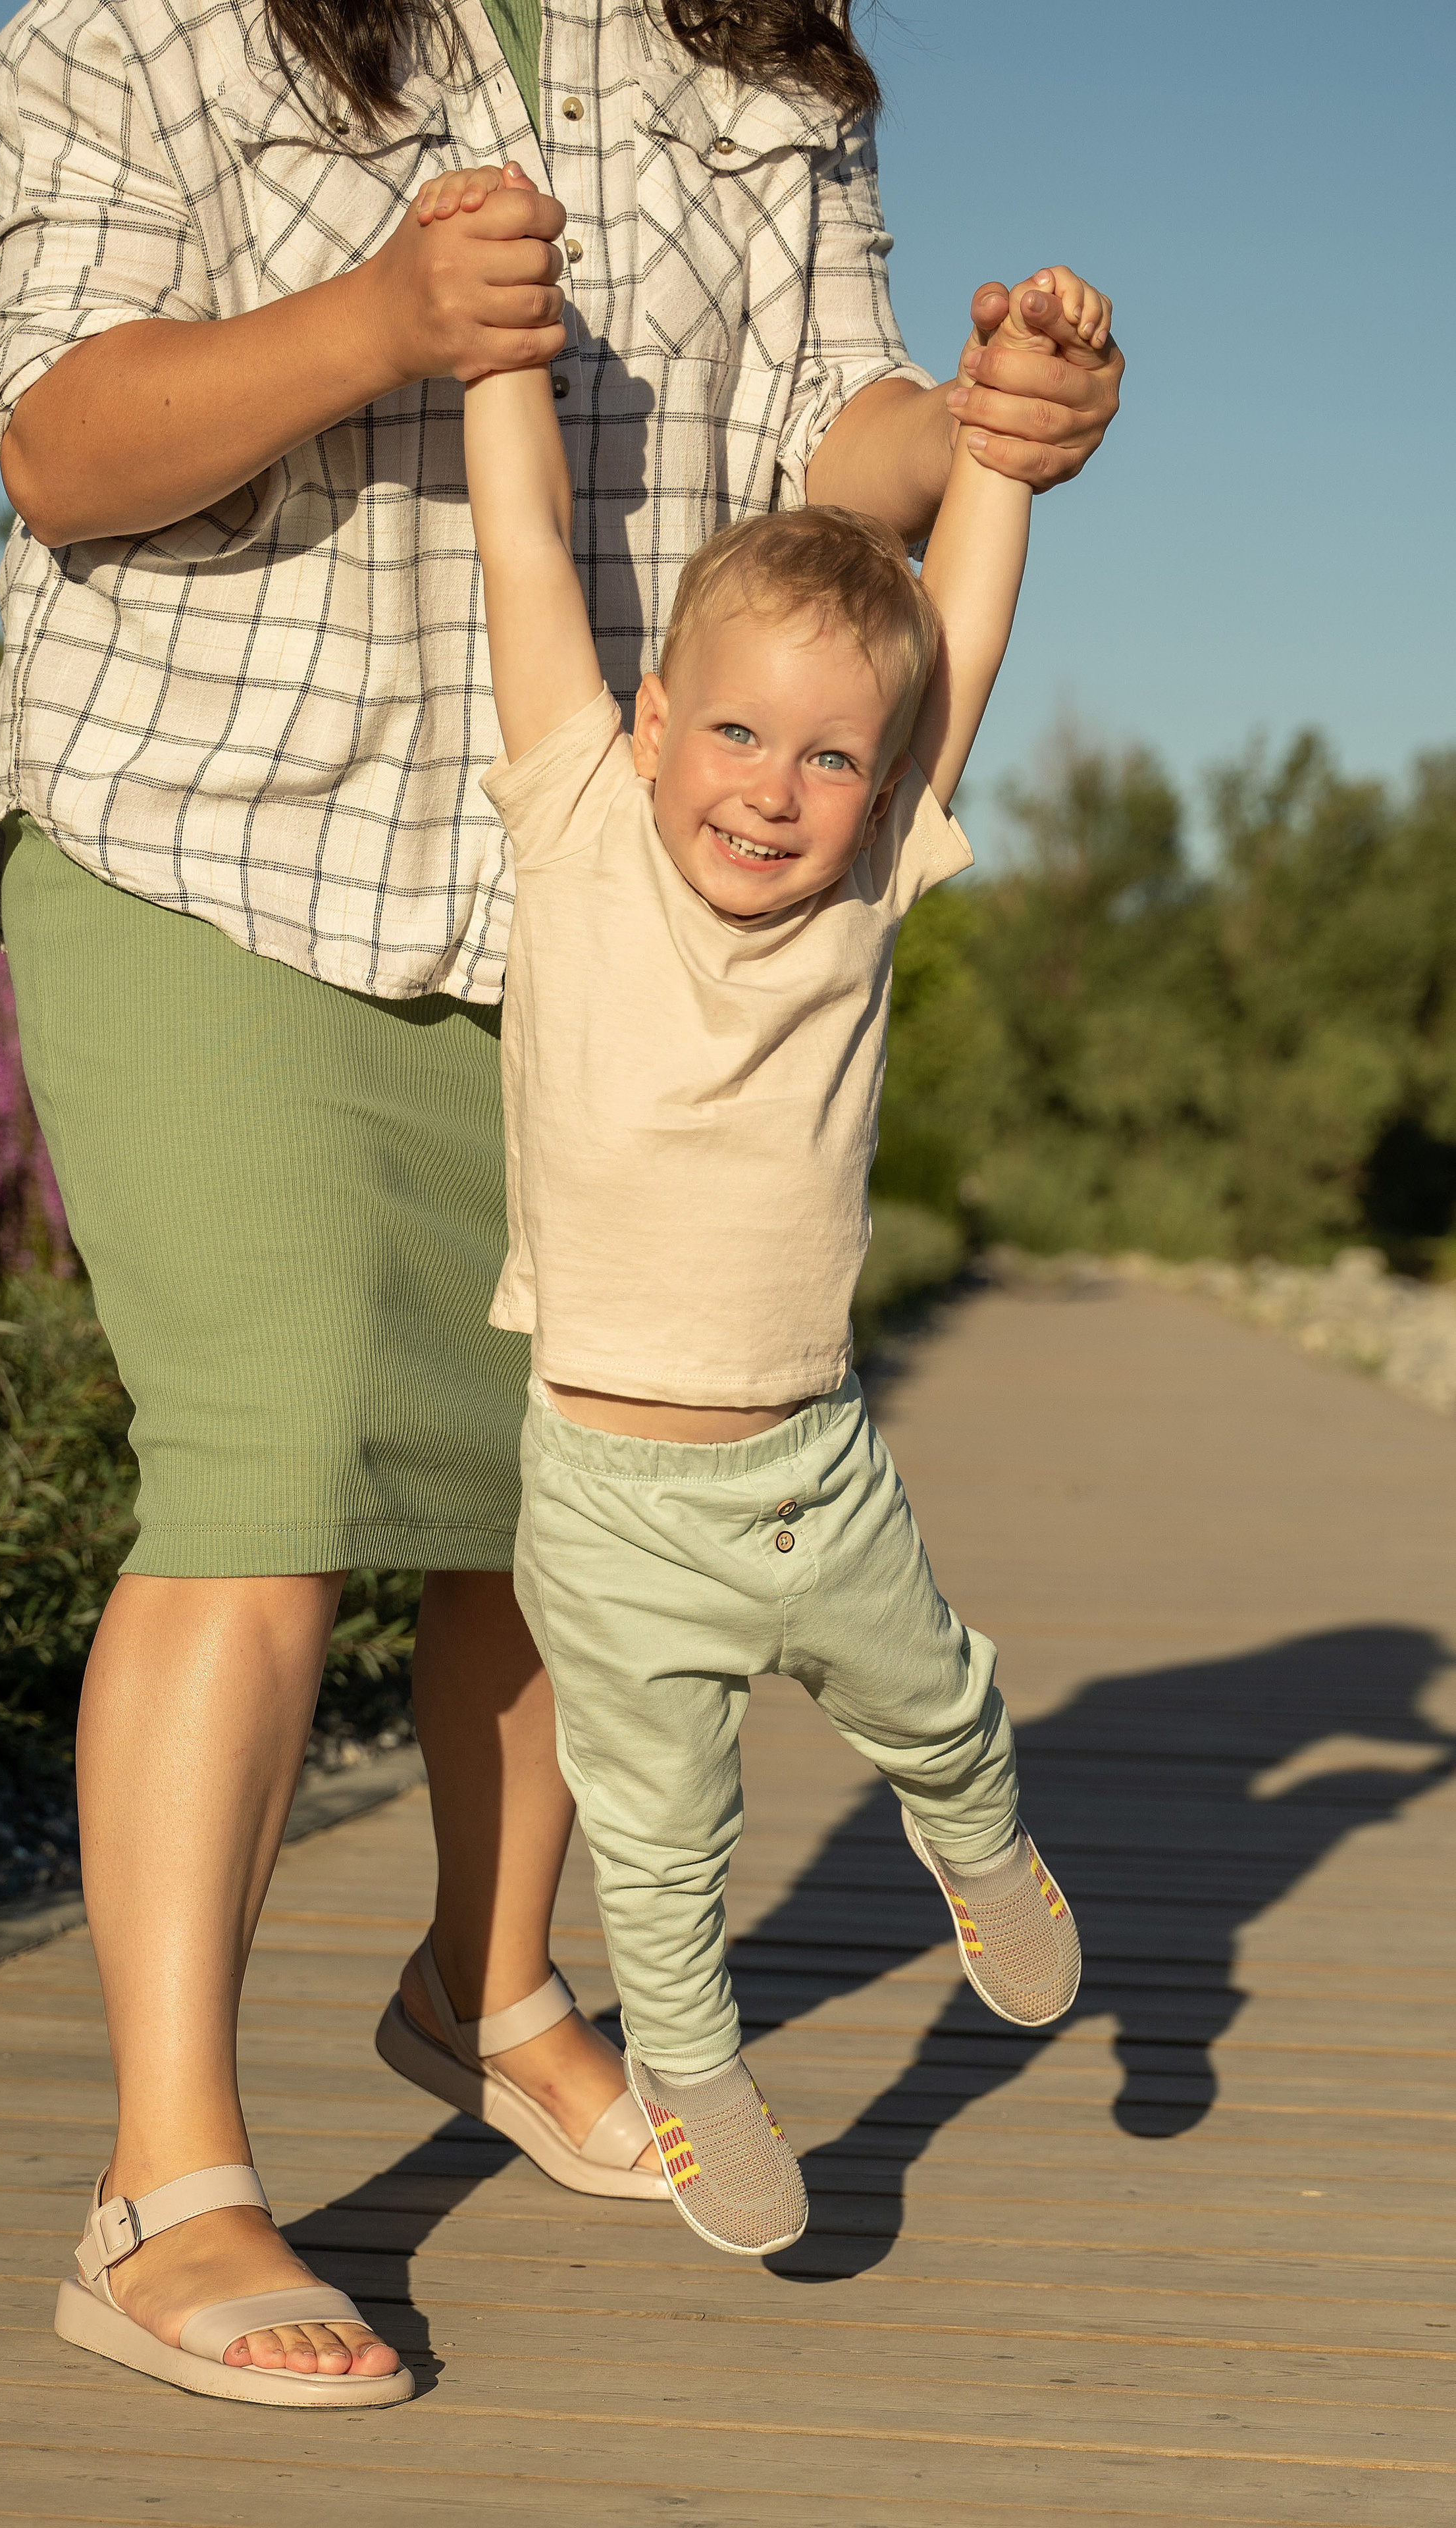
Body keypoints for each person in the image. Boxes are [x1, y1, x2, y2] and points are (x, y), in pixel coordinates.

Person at [0, 0, 1121, 2407]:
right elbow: (65, 444)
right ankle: (165, 2189)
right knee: (267, 1457)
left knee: (540, 1493)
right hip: (217, 831)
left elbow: (844, 433)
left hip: (594, 902)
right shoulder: (127, 23)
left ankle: (484, 1995)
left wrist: (986, 423)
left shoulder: (767, 58)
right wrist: (382, 319)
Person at [458, 160, 1102, 2255]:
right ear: (647, 731)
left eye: (831, 758)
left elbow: (967, 628)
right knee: (656, 1842)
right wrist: (493, 358)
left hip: (812, 1466)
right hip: (608, 1488)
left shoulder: (868, 886)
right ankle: (696, 2075)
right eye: (731, 731)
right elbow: (528, 552)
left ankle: (983, 1838)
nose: (770, 785)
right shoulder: (575, 825)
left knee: (933, 1697)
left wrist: (1005, 430)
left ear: (881, 784)